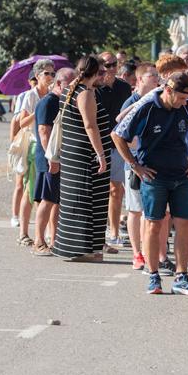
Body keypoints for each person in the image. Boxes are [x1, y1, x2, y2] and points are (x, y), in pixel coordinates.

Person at [114, 72, 188, 295]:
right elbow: (117, 135)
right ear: (168, 90)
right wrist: (135, 165)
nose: (185, 102)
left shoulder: (187, 108)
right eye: (181, 97)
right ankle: (153, 274)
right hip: (154, 176)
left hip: (182, 174)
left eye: (187, 98)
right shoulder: (146, 108)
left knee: (185, 224)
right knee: (154, 223)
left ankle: (182, 276)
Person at [55, 55, 112, 261]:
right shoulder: (85, 93)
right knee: (89, 199)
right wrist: (100, 155)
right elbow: (90, 126)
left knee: (74, 199)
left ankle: (74, 247)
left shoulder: (71, 90)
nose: (103, 75)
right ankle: (87, 249)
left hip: (72, 154)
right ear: (95, 73)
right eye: (102, 72)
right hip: (85, 155)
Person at [120, 62, 160, 270]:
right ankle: (137, 253)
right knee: (135, 210)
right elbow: (120, 132)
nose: (156, 78)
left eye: (157, 75)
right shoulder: (132, 101)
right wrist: (133, 157)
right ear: (139, 80)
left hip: (152, 162)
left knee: (149, 211)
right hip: (134, 163)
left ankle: (148, 250)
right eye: (152, 75)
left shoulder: (156, 100)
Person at [11, 59, 55, 243]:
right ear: (37, 76)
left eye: (53, 73)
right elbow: (21, 123)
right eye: (47, 73)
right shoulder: (31, 96)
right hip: (34, 145)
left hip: (51, 145)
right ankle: (23, 232)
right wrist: (39, 111)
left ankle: (50, 234)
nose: (51, 77)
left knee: (49, 193)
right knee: (31, 191)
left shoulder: (53, 95)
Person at [95, 51, 134, 252]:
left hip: (118, 144)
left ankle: (114, 231)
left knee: (116, 190)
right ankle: (98, 233)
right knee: (100, 191)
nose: (110, 69)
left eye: (113, 65)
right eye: (106, 65)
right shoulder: (94, 88)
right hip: (99, 144)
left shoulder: (124, 87)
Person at [31, 66, 66, 256]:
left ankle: (54, 240)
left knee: (56, 200)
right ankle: (38, 241)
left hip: (56, 157)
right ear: (59, 84)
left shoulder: (60, 101)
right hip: (48, 158)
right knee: (47, 200)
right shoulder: (48, 102)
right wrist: (51, 157)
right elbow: (44, 132)